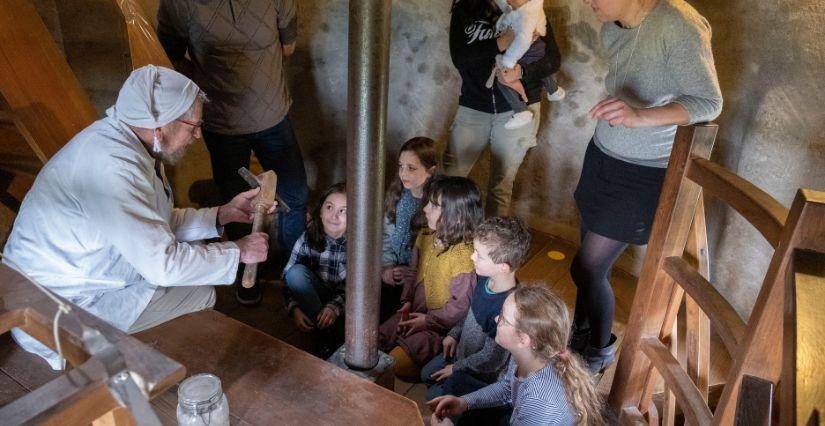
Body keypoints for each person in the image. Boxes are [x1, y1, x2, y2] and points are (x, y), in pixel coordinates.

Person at [1, 65, 272, 369]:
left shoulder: (128, 144)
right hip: (54, 302)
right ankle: (147, 378)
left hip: (79, 277)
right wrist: (238, 251)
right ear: (159, 126)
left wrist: (221, 215)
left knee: (194, 282)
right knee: (198, 294)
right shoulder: (112, 167)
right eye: (192, 126)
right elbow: (163, 265)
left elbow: (155, 223)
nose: (197, 135)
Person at [570, 0, 722, 373]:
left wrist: (640, 117)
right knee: (589, 262)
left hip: (642, 172)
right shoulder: (614, 25)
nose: (588, 2)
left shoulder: (678, 23)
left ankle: (599, 351)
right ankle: (579, 334)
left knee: (587, 268)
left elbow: (709, 102)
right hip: (603, 155)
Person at [157, 0, 309, 306]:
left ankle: (295, 271)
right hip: (222, 122)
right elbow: (169, 54)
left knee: (294, 195)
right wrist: (207, 80)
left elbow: (288, 44)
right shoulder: (179, 4)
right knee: (238, 202)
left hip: (271, 116)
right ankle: (248, 268)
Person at [443, 0, 560, 216]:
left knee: (501, 187)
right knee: (450, 180)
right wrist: (502, 42)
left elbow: (552, 59)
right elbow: (460, 58)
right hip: (474, 105)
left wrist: (522, 72)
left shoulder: (526, 6)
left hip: (518, 108)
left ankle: (491, 246)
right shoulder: (465, 8)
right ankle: (448, 241)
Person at [428, 285, 604, 426]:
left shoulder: (539, 403)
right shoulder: (525, 355)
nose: (497, 319)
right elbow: (507, 388)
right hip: (517, 414)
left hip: (525, 416)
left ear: (524, 339)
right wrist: (464, 402)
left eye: (504, 319)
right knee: (457, 383)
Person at [378, 176, 483, 378]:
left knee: (394, 363)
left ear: (457, 216)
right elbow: (412, 273)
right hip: (414, 313)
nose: (425, 209)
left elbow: (461, 307)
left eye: (434, 206)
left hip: (438, 329)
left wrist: (428, 320)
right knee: (377, 337)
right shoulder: (425, 236)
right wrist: (407, 301)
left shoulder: (463, 256)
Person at [421, 216, 531, 402]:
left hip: (478, 373)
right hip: (461, 355)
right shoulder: (485, 280)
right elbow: (471, 312)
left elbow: (491, 359)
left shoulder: (509, 310)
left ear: (503, 267)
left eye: (479, 255)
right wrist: (454, 334)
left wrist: (456, 368)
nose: (472, 257)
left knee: (432, 393)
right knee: (426, 375)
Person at [380, 137, 437, 322]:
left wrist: (412, 274)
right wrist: (387, 266)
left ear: (430, 171)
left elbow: (434, 253)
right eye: (401, 166)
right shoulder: (397, 194)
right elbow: (385, 234)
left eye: (411, 168)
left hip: (418, 280)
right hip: (392, 271)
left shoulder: (436, 206)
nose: (403, 173)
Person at [283, 182, 347, 345]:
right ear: (320, 211)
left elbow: (359, 288)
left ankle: (333, 337)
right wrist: (294, 308)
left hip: (346, 304)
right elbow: (287, 278)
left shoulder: (358, 246)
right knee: (295, 273)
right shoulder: (307, 238)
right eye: (329, 207)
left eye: (343, 211)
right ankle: (326, 334)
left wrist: (334, 307)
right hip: (315, 299)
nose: (334, 216)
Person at [491, 0, 565, 130]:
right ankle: (553, 90)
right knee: (538, 65)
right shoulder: (531, 9)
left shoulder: (526, 15)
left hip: (528, 52)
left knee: (504, 80)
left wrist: (508, 61)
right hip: (537, 50)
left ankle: (520, 111)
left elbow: (523, 41)